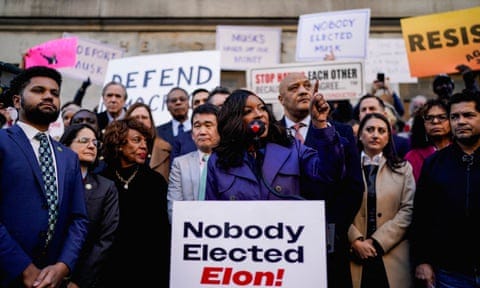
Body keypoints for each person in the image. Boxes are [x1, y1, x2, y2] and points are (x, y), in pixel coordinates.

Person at [0, 66, 88, 287]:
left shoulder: (68, 157)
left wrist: (63, 266)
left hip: (52, 279)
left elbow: (78, 219)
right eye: (39, 90)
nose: (49, 96)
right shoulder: (2, 142)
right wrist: (22, 267)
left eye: (55, 92)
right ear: (18, 101)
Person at [277, 72, 363, 288]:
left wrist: (330, 228)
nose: (304, 91)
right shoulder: (270, 134)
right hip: (280, 242)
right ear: (280, 99)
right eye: (294, 87)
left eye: (307, 86)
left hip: (329, 243)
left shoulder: (340, 131)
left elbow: (353, 187)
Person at [205, 88, 345, 201]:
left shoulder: (292, 148)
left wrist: (321, 125)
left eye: (262, 108)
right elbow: (212, 213)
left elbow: (329, 174)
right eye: (248, 111)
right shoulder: (218, 161)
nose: (259, 114)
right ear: (234, 121)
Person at [411, 91, 480, 288]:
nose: (460, 121)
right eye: (455, 116)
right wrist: (422, 260)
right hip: (450, 273)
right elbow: (421, 217)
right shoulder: (435, 164)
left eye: (468, 115)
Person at [98, 118, 170, 287]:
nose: (144, 146)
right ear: (119, 144)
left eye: (145, 141)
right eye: (136, 140)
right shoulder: (102, 179)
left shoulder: (155, 181)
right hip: (110, 267)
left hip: (148, 268)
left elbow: (162, 232)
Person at [349, 112, 415, 288]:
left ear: (388, 137)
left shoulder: (403, 169)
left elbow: (408, 209)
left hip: (392, 253)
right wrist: (355, 240)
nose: (375, 135)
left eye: (381, 130)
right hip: (354, 253)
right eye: (369, 129)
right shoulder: (345, 167)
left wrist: (376, 241)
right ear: (360, 135)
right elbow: (337, 206)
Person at [59, 123, 119, 288]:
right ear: (66, 146)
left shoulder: (106, 187)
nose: (91, 146)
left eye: (95, 142)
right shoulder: (52, 182)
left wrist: (79, 281)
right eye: (84, 140)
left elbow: (105, 239)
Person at [167, 103, 219, 222]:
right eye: (197, 126)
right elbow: (174, 209)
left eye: (208, 125)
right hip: (190, 231)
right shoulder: (180, 164)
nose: (202, 132)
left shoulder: (231, 162)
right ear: (192, 134)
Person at [404, 99, 451, 183]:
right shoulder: (412, 157)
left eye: (442, 117)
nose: (435, 121)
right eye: (429, 118)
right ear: (422, 123)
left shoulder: (463, 151)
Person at [125, 102, 172, 181]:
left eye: (144, 117)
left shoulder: (165, 148)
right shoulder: (120, 147)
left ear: (151, 122)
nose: (140, 121)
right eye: (136, 117)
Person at [355, 94, 411, 158]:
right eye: (363, 109)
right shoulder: (351, 144)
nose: (367, 112)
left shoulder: (402, 144)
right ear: (359, 117)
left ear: (384, 114)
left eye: (372, 108)